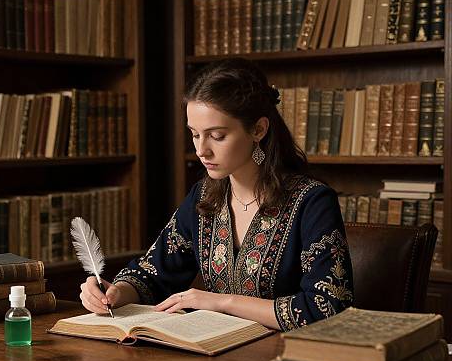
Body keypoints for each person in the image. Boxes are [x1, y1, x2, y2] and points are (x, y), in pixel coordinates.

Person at [80, 58, 354, 331]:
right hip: (216, 355)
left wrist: (223, 303)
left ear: (258, 129)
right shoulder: (204, 198)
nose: (201, 150)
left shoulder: (311, 202)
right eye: (195, 134)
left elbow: (327, 308)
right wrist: (115, 293)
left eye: (217, 136)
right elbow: (152, 273)